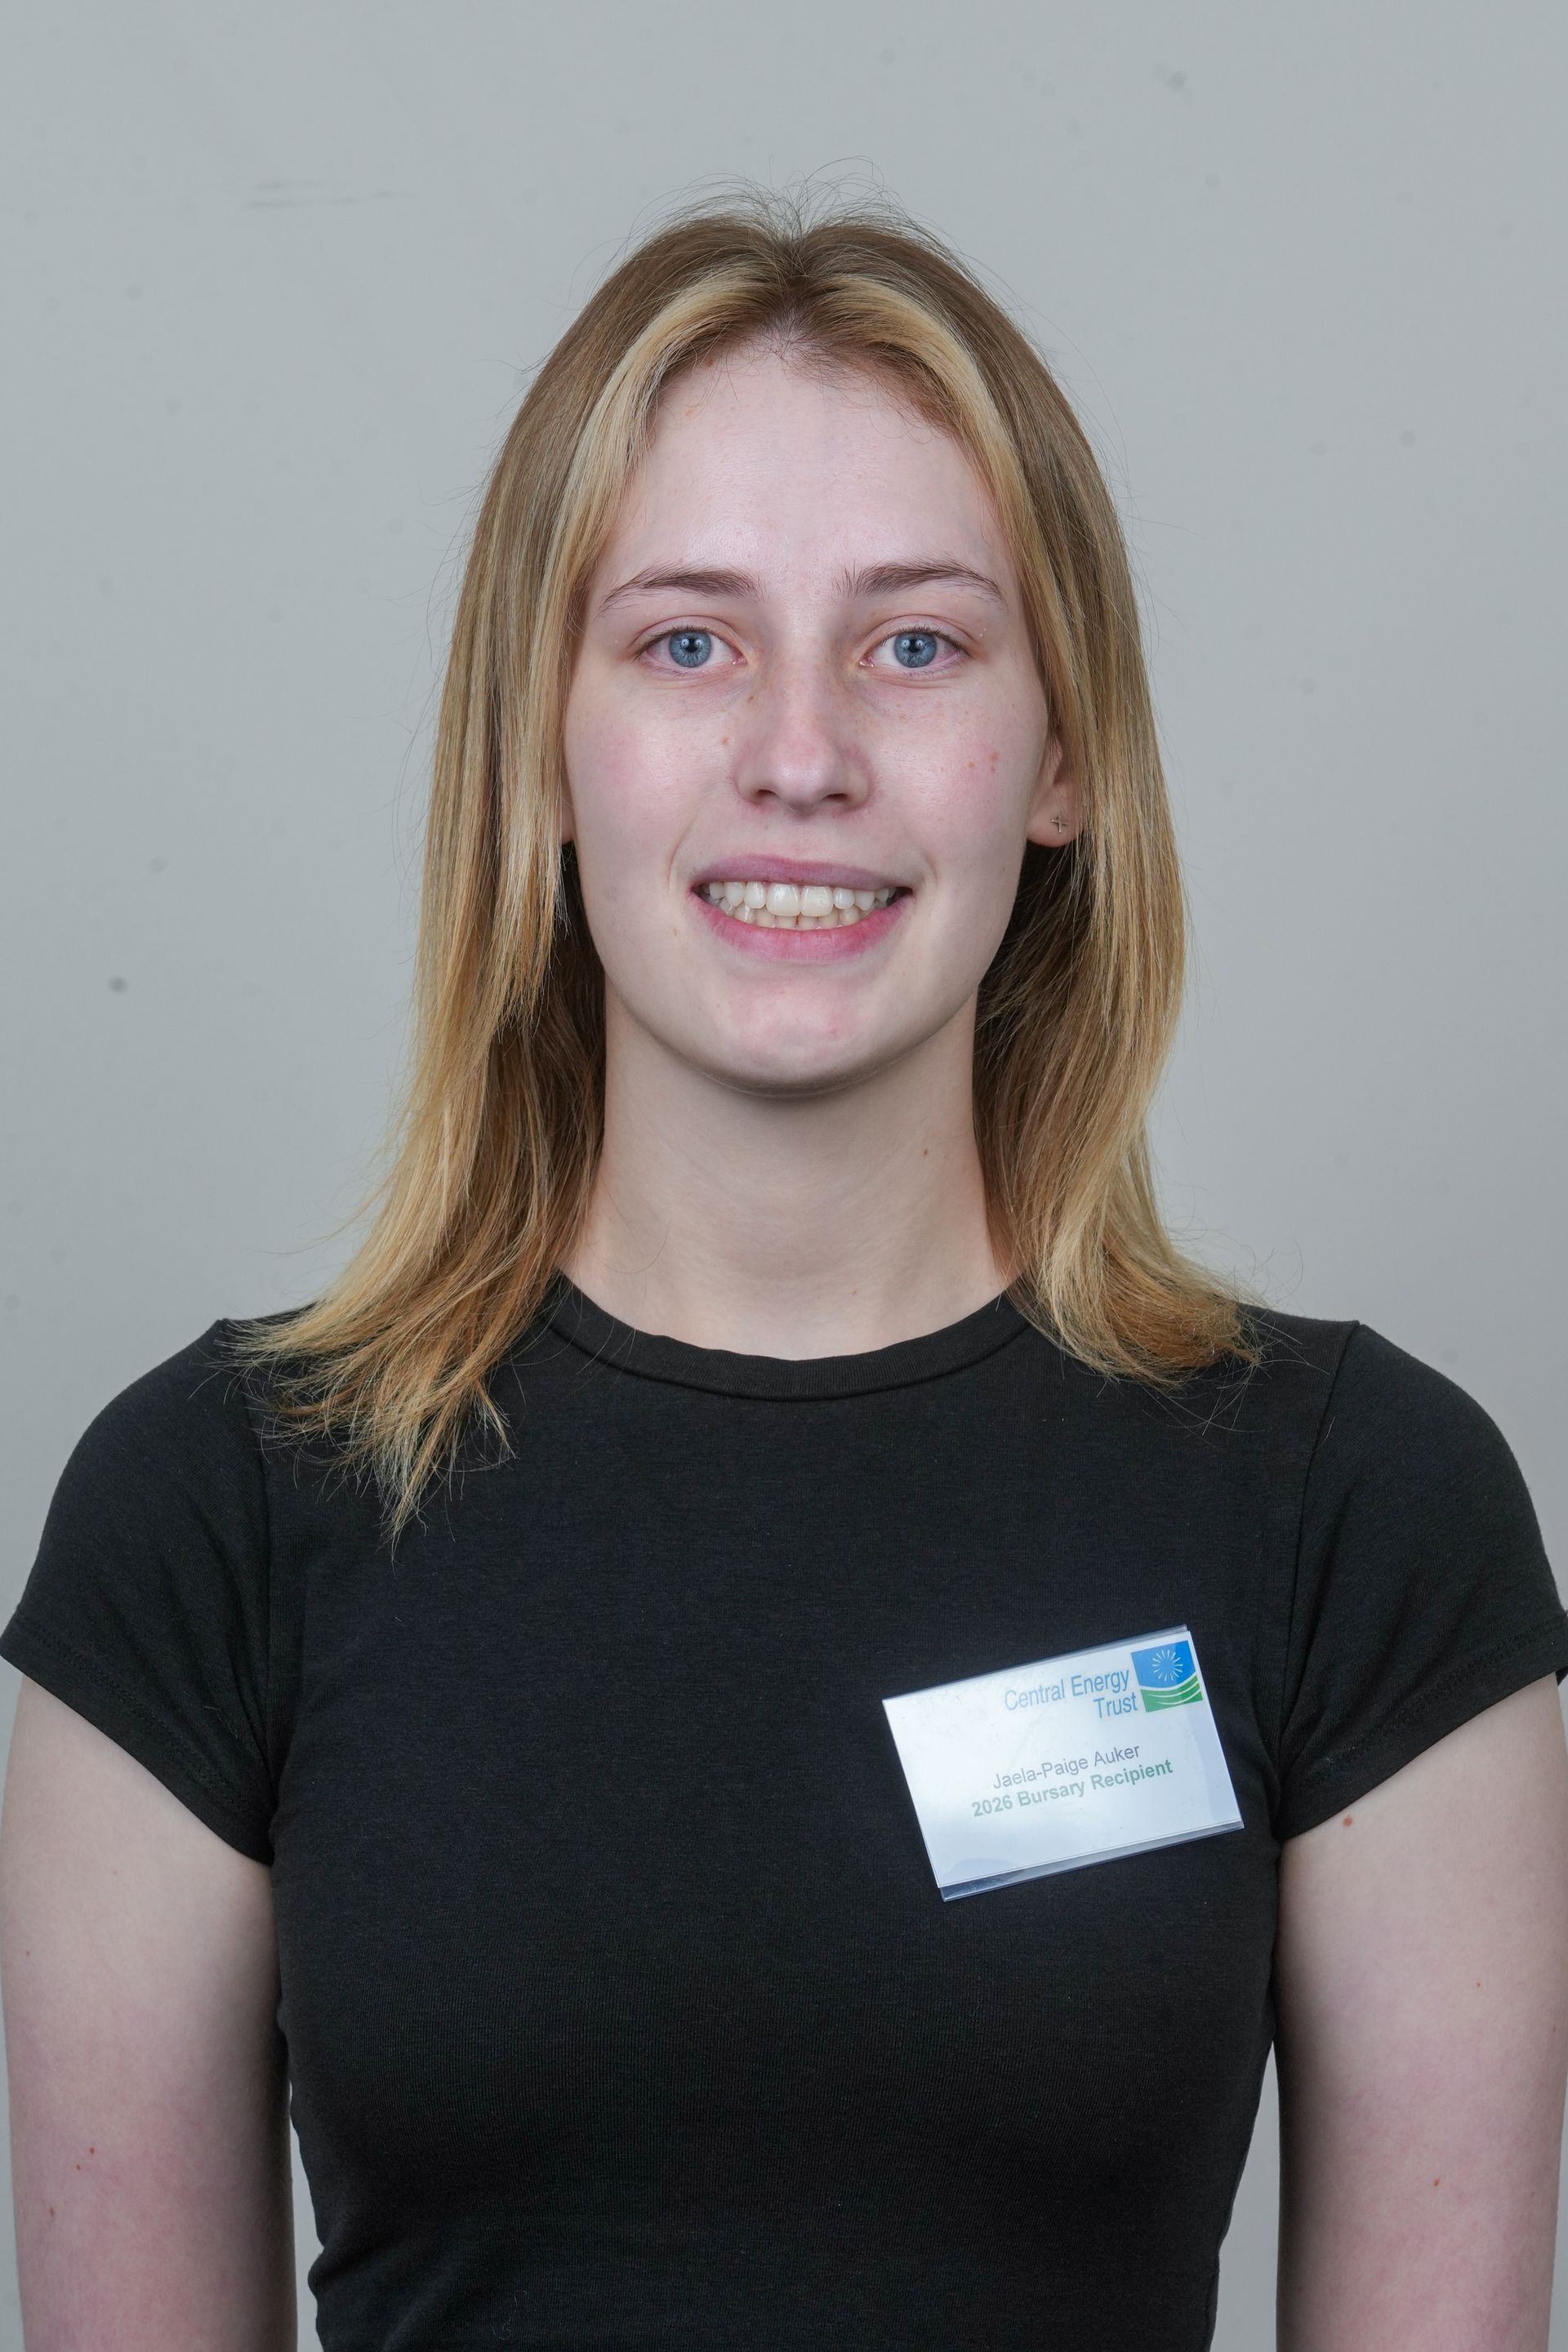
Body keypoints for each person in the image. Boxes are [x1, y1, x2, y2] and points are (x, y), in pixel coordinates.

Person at [2, 188, 1565, 2352]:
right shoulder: (211, 1521)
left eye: (915, 645)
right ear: (543, 745)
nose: (801, 754)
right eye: (687, 643)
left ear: (1064, 757)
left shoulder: (1362, 1517)